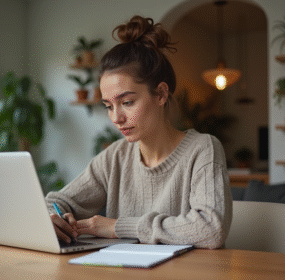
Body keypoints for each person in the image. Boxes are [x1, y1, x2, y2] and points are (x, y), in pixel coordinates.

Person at [45, 15, 232, 249]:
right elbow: (56, 201)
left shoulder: (203, 148)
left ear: (161, 94)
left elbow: (210, 229)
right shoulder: (115, 157)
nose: (116, 118)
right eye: (108, 106)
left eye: (127, 102)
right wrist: (53, 218)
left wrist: (116, 227)